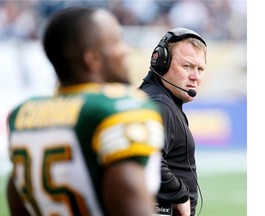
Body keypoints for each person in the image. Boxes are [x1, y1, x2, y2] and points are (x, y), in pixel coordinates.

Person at [6, 7, 165, 216]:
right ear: (92, 58)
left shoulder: (25, 114)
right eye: (117, 41)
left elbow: (16, 195)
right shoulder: (115, 109)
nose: (125, 50)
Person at [139, 27, 207, 216]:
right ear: (161, 62)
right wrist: (179, 195)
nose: (195, 76)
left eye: (200, 69)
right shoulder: (159, 104)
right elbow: (146, 157)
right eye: (187, 66)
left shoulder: (157, 100)